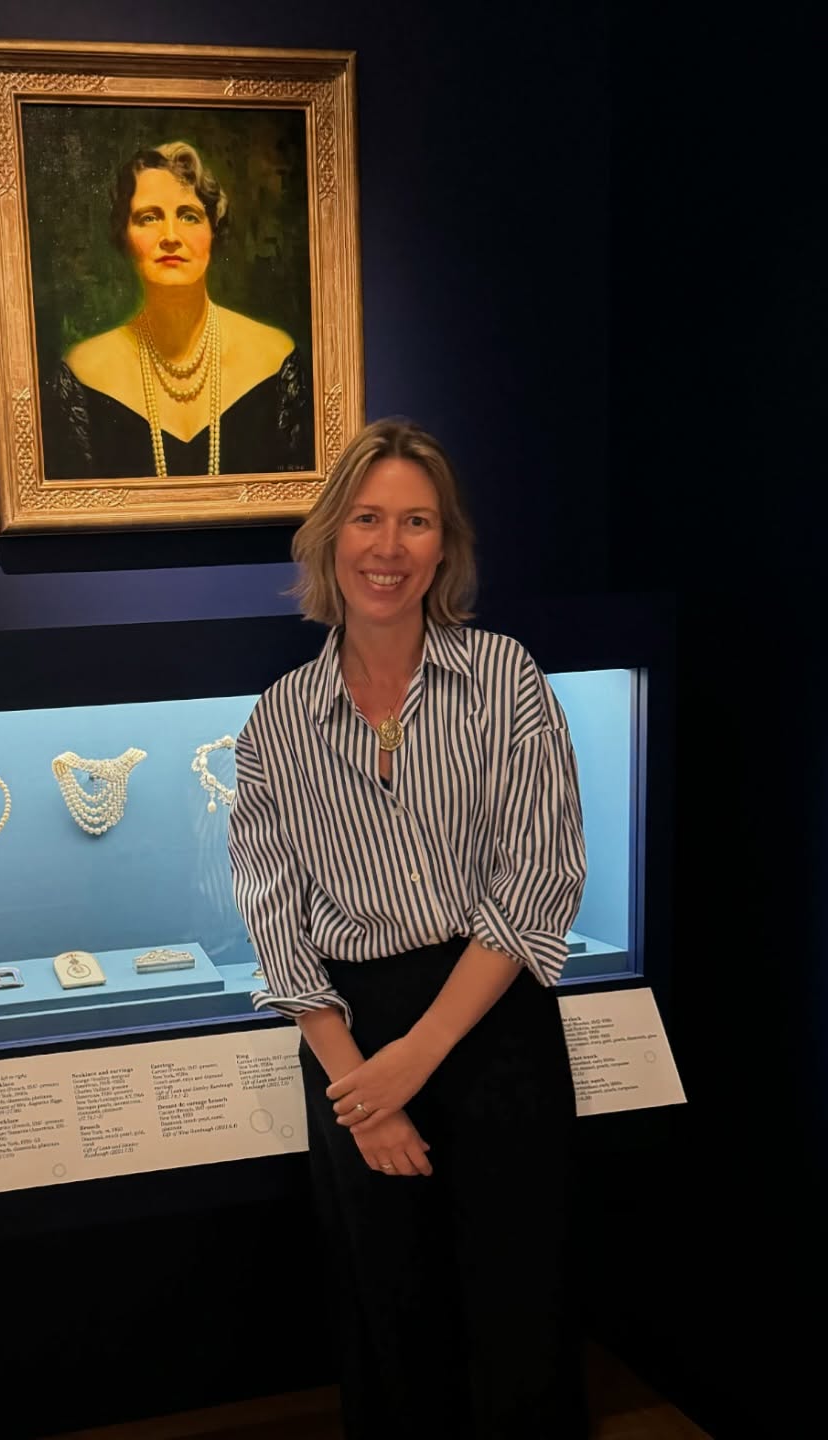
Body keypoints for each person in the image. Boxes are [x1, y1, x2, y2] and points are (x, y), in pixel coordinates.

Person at [227, 418, 588, 1439]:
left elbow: (539, 878)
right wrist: (366, 1095)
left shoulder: (506, 679)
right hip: (352, 1038)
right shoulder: (277, 722)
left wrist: (415, 1061)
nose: (388, 547)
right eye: (367, 518)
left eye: (416, 522)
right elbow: (276, 923)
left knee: (518, 1307)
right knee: (390, 1314)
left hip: (493, 1023)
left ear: (445, 547)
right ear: (328, 538)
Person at [40, 140, 312, 480]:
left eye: (189, 216)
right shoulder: (83, 372)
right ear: (125, 235)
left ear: (213, 229)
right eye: (149, 217)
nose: (170, 235)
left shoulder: (274, 358)